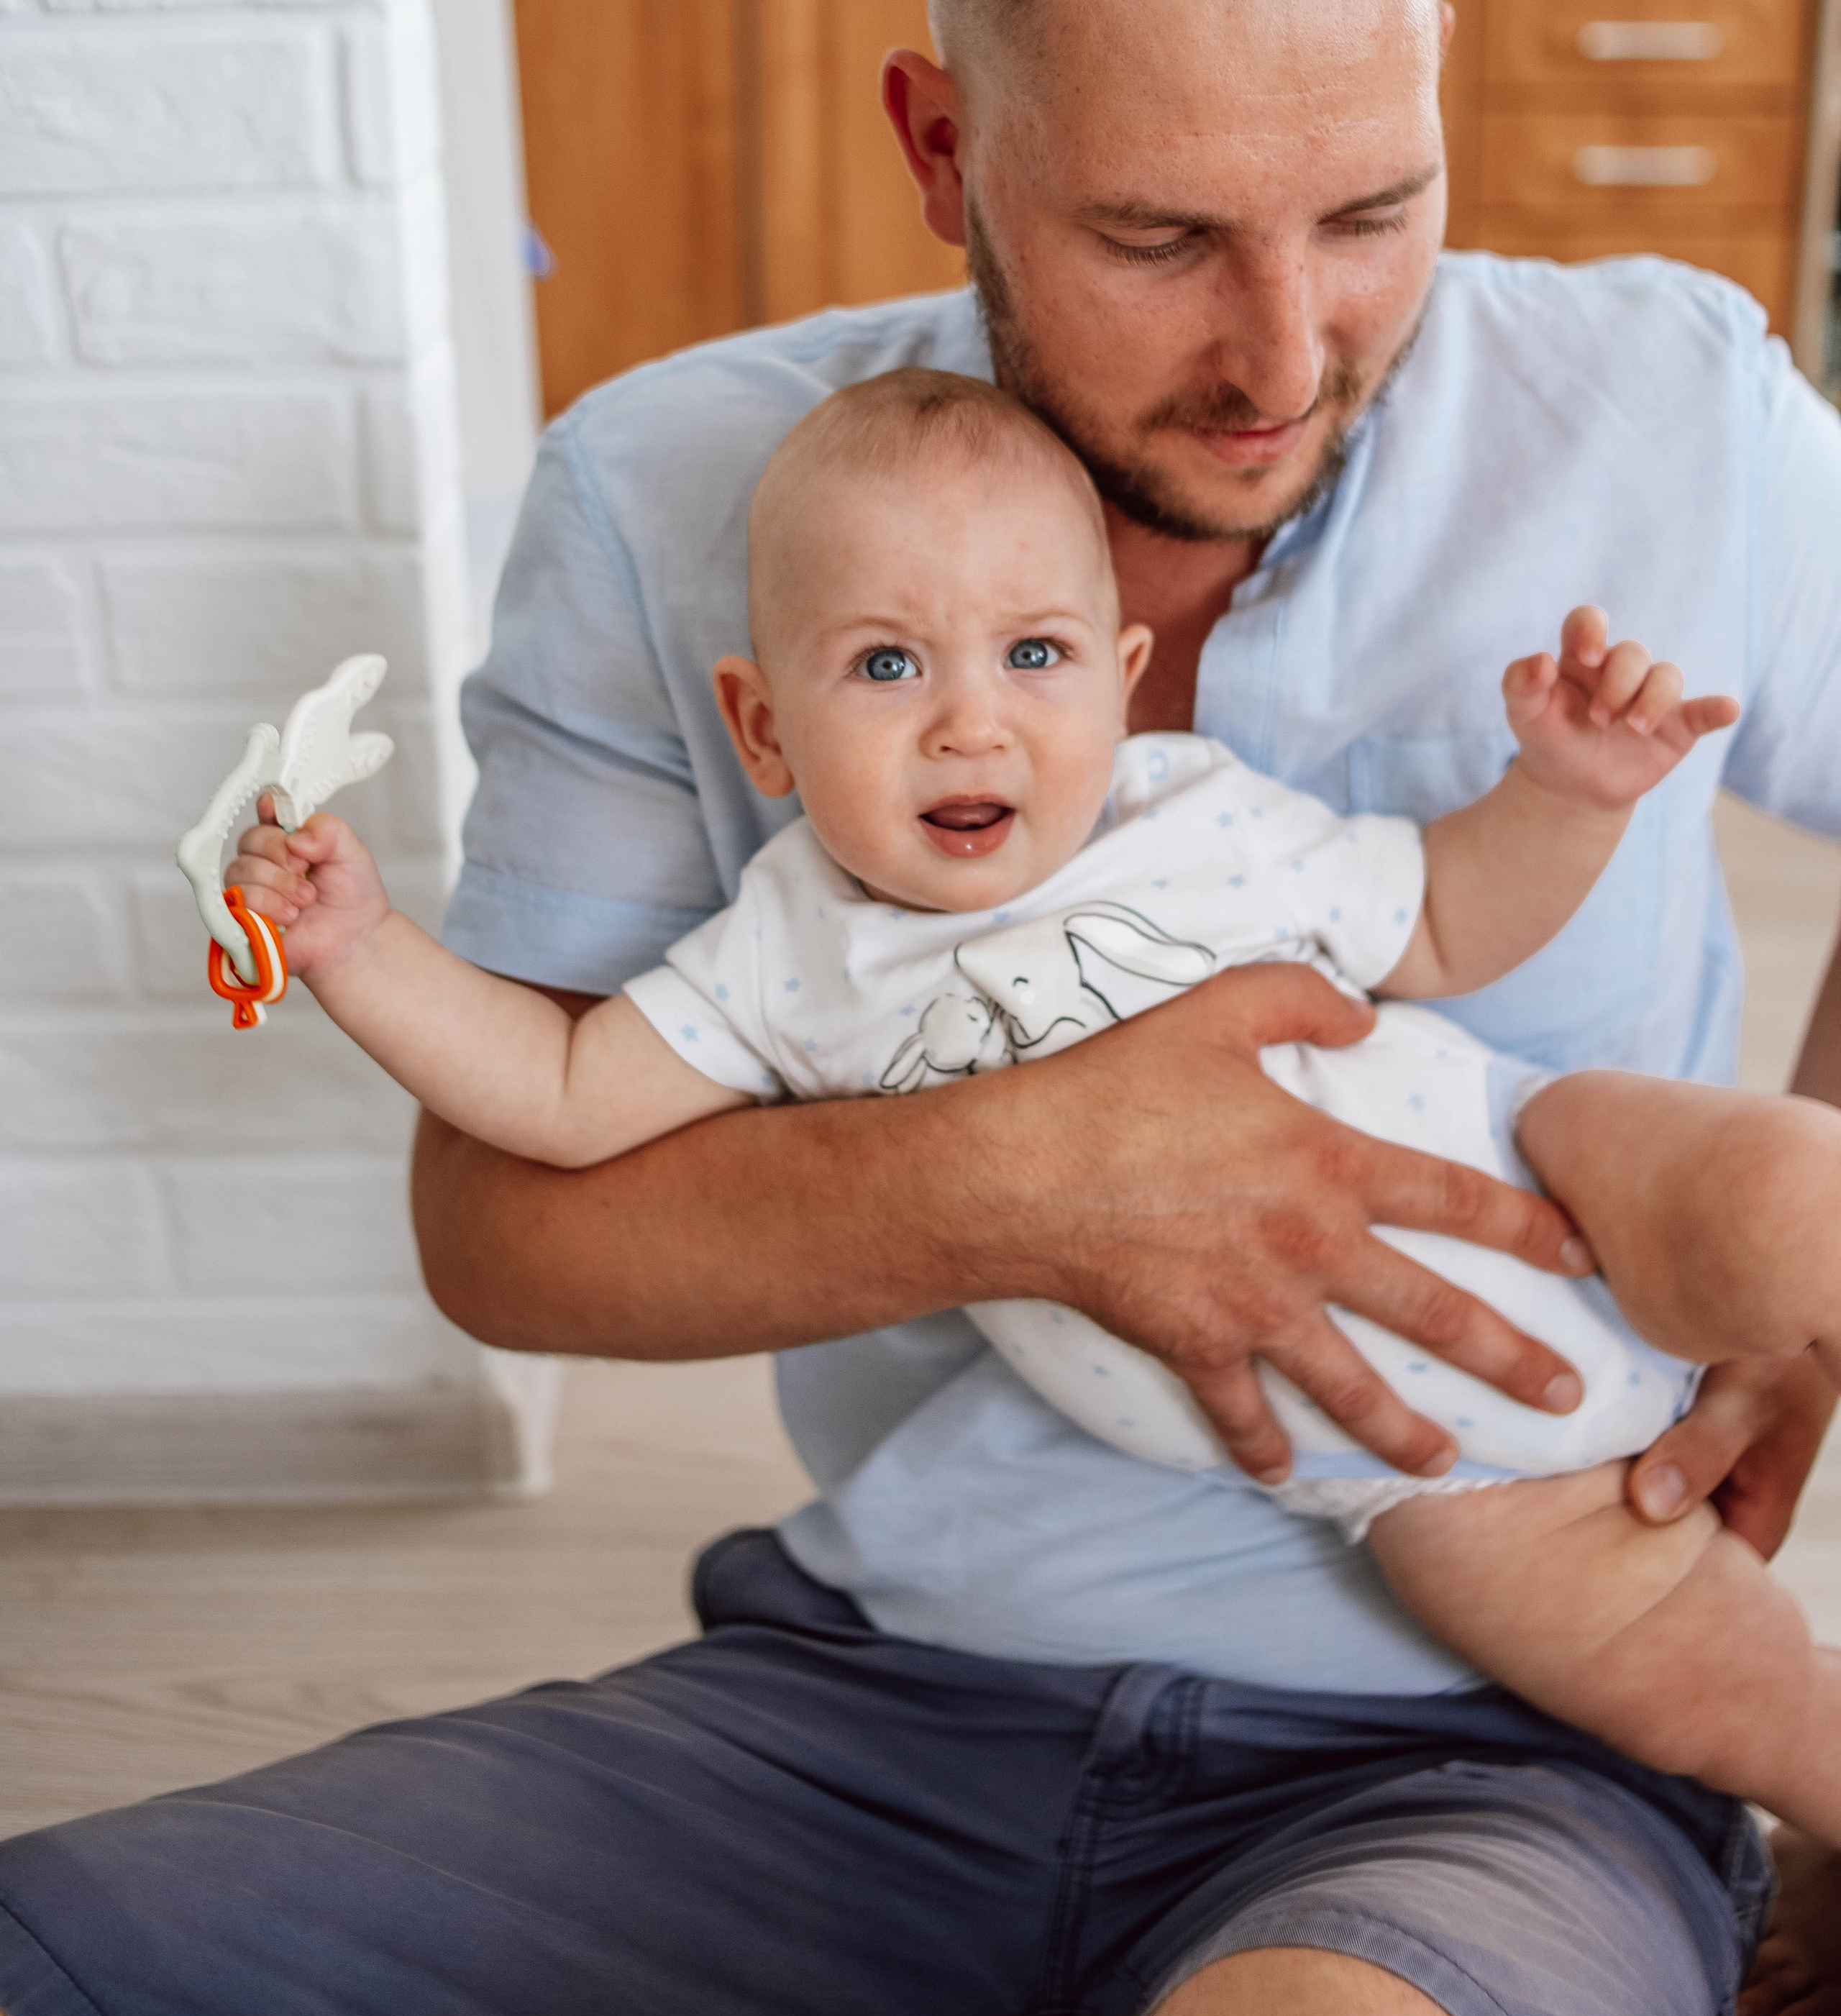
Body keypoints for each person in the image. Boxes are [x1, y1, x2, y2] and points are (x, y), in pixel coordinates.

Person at [4, 0, 1841, 2016]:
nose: (1284, 353)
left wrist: (1795, 1322)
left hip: (1493, 1753)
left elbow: (1467, 919)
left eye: (1373, 210)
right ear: (942, 143)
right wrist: (1041, 1182)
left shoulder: (1671, 410)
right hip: (864, 1716)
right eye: (1160, 233)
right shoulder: (679, 499)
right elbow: (509, 1223)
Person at [227, 360, 1841, 1850]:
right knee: (1719, 1702)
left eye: (1034, 654)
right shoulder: (787, 958)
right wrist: (358, 951)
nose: (969, 719)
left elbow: (1439, 919)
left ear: (1121, 682)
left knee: (1786, 1199)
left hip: (1549, 1178)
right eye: (884, 663)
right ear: (763, 726)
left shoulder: (1188, 816)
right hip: (1430, 1484)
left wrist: (1564, 794)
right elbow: (561, 1094)